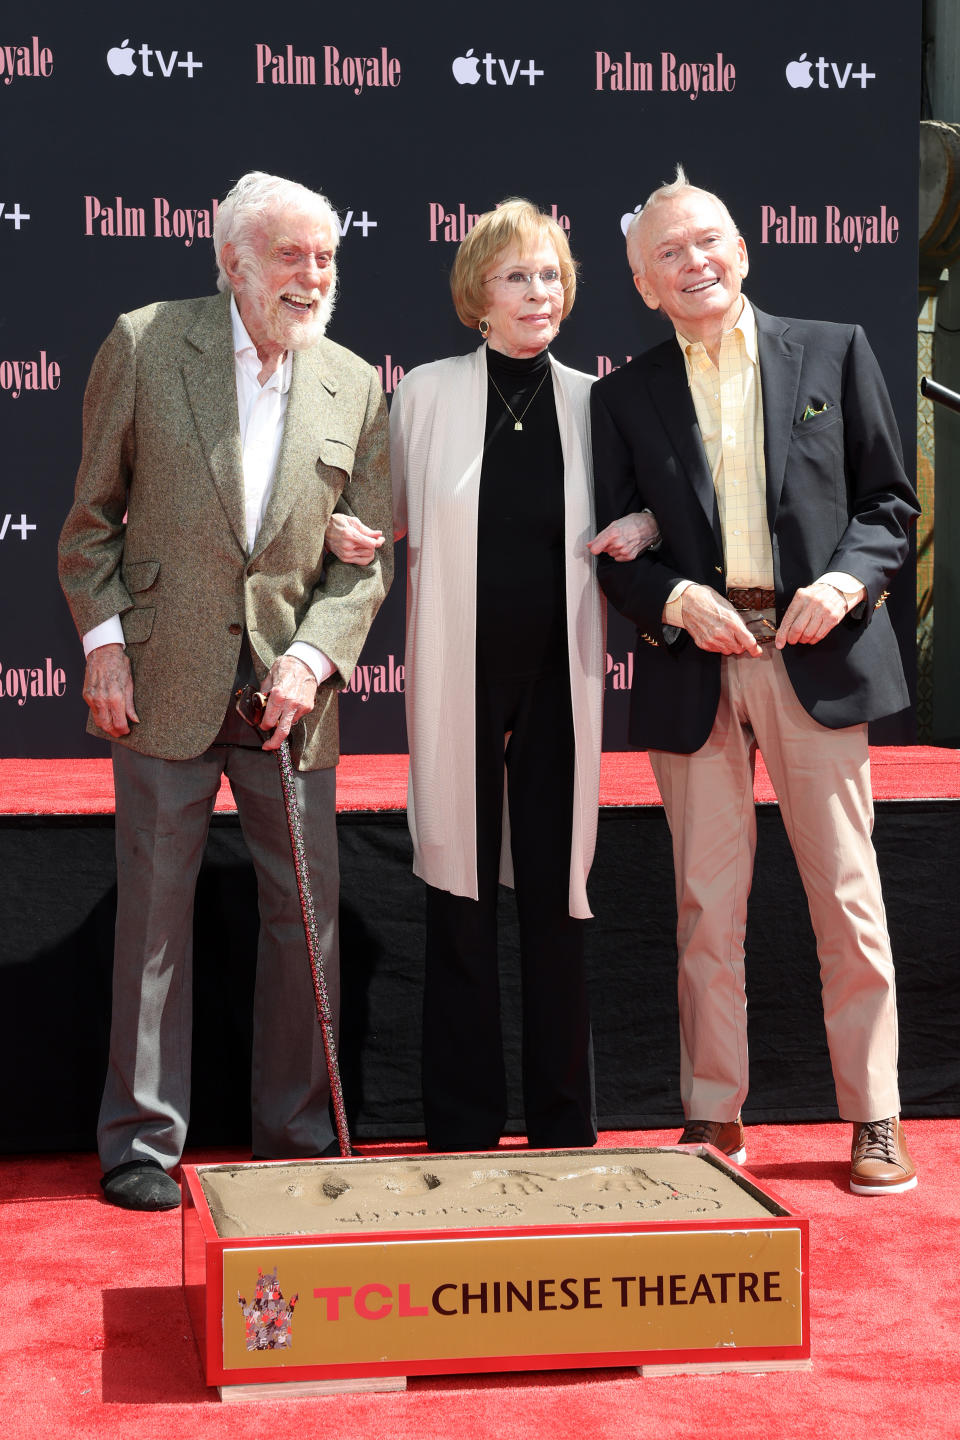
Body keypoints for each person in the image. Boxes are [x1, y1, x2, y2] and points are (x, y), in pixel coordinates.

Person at [58, 171, 393, 1210]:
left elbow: (365, 560)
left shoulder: (352, 382)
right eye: (293, 255)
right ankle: (143, 1143)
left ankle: (293, 1136)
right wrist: (106, 648)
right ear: (234, 260)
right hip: (164, 678)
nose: (315, 275)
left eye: (327, 257)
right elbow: (89, 526)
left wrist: (312, 658)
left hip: (293, 692)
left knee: (306, 918)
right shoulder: (150, 342)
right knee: (154, 917)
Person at [590, 167, 920, 1195]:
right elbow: (613, 550)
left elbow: (890, 508)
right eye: (669, 254)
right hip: (699, 668)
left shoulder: (831, 350)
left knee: (847, 895)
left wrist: (843, 584)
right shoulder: (624, 394)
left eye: (709, 241)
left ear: (744, 247)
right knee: (705, 901)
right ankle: (713, 1116)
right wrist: (676, 601)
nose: (696, 262)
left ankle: (874, 1116)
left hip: (815, 657)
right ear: (644, 284)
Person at [376, 198, 656, 1152]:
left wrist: (648, 527)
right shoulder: (424, 393)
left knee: (555, 905)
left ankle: (563, 1127)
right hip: (459, 686)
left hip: (561, 688)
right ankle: (459, 1128)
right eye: (516, 277)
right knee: (457, 898)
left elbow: (657, 513)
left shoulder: (597, 400)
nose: (538, 292)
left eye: (550, 276)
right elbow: (385, 520)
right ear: (477, 295)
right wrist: (347, 532)